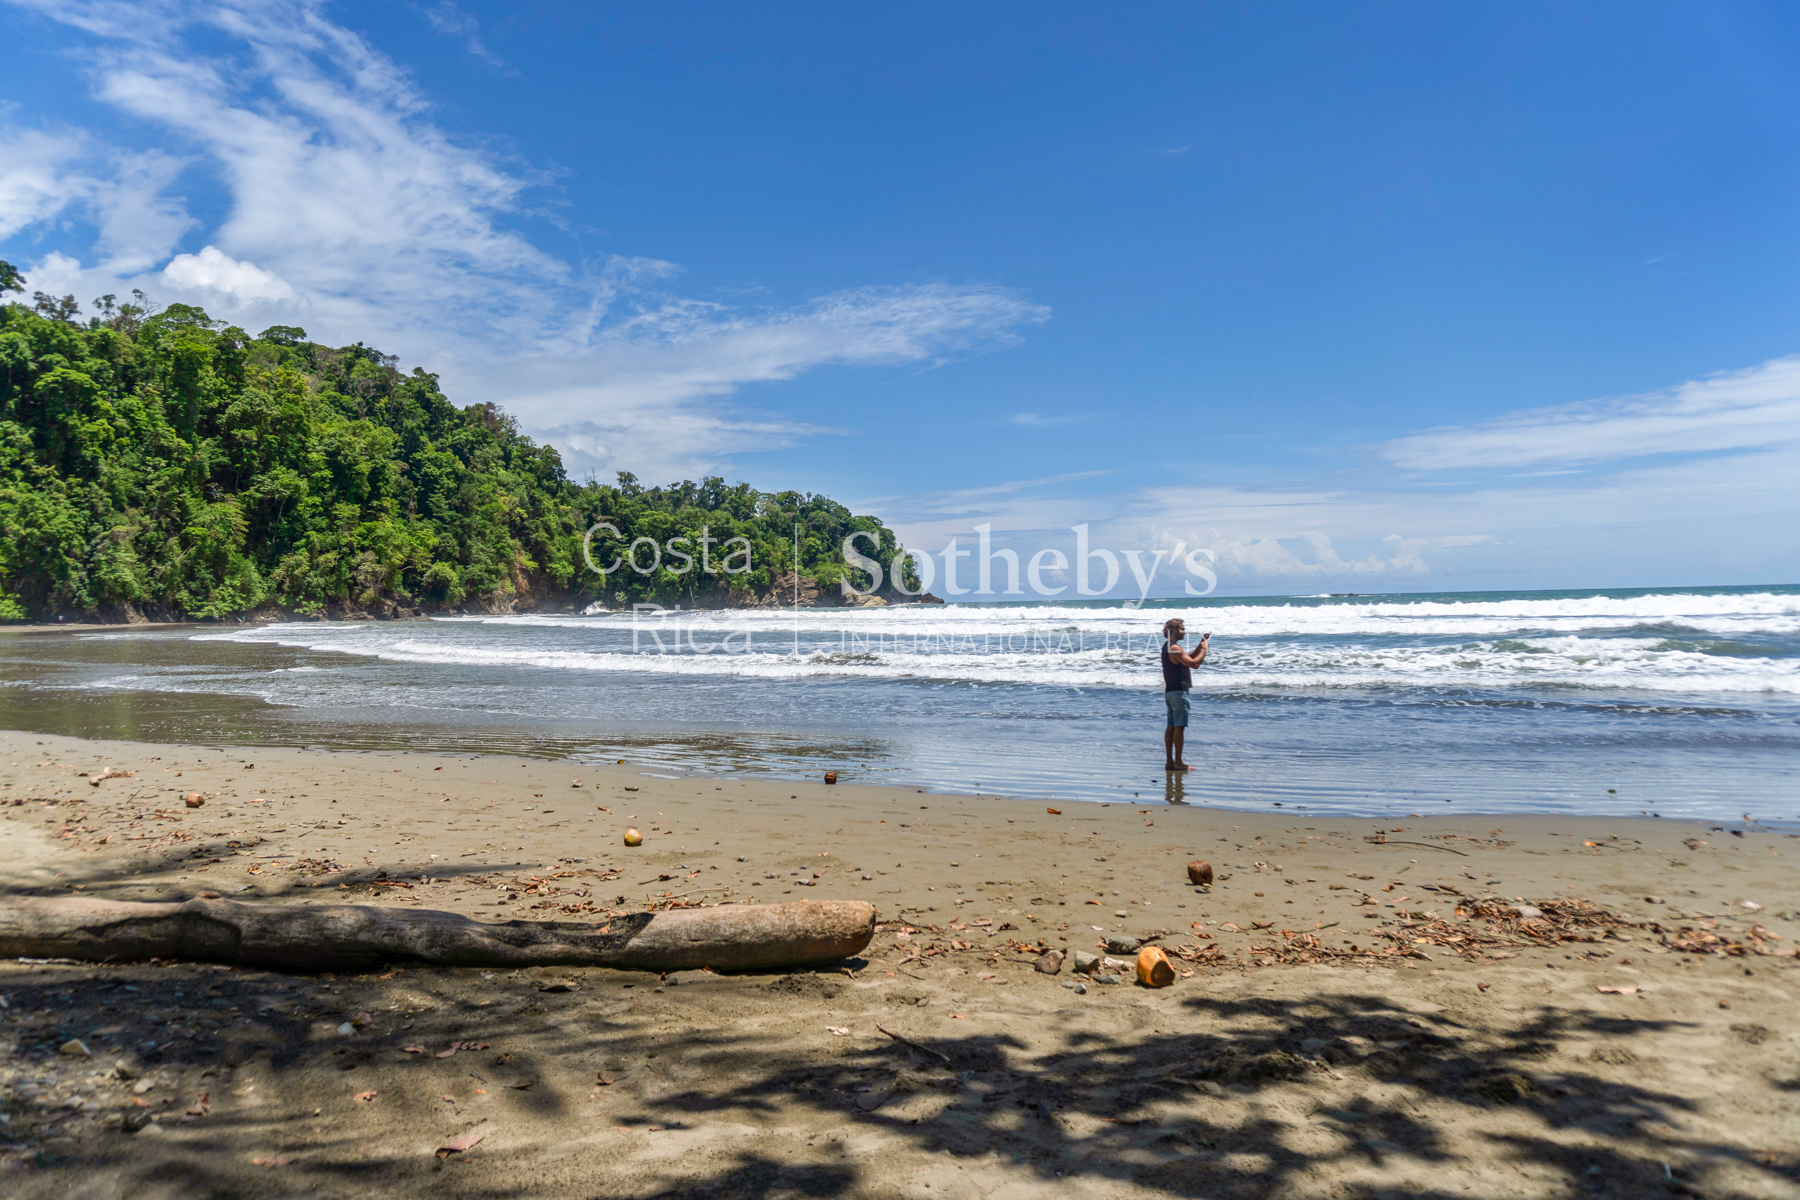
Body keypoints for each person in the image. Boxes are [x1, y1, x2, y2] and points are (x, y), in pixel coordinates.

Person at [1159, 617, 1209, 771]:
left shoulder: (1170, 646)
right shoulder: (1174, 648)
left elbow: (1188, 658)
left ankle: (1170, 761)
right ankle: (1178, 763)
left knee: (1171, 727)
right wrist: (1205, 649)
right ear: (1173, 630)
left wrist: (1200, 645)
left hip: (1171, 692)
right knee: (1179, 727)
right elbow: (1194, 664)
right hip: (1179, 692)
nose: (1184, 632)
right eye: (1182, 629)